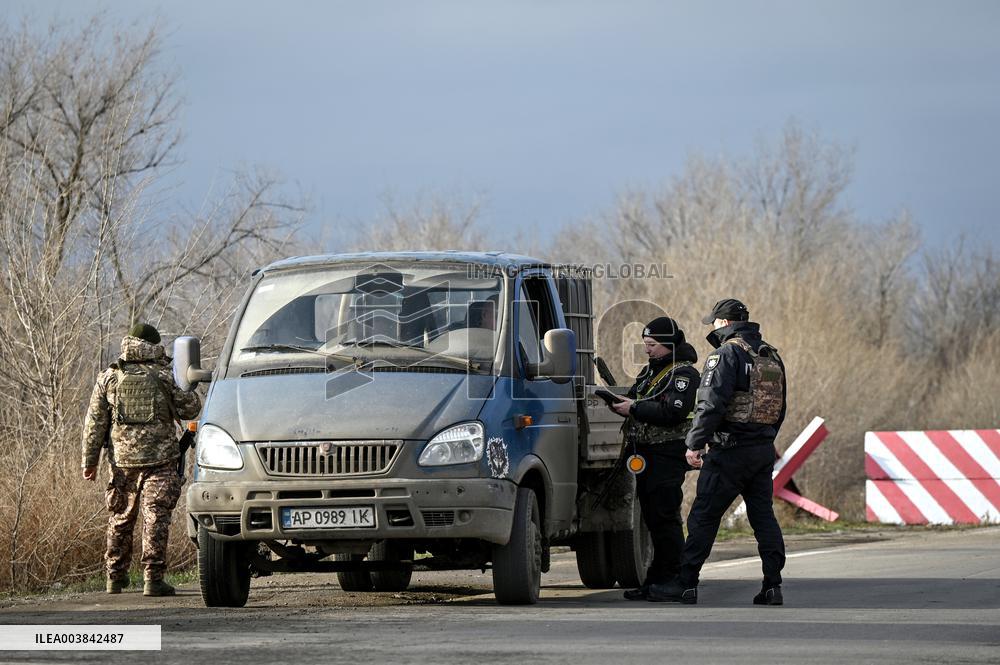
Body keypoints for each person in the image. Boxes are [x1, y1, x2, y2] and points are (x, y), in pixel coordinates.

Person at [647, 299, 787, 606]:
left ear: (722, 323)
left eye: (713, 323)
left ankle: (685, 584)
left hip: (729, 452)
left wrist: (695, 442)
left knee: (703, 518)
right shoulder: (770, 355)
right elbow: (780, 408)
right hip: (762, 451)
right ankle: (773, 585)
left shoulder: (726, 354)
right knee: (764, 518)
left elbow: (711, 403)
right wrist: (764, 439)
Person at [81, 323, 202, 596]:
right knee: (155, 517)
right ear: (154, 345)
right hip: (161, 462)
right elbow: (191, 408)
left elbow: (94, 425)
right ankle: (153, 579)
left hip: (122, 463)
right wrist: (184, 378)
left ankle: (115, 578)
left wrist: (89, 462)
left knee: (120, 517)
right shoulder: (164, 375)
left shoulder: (109, 377)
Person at [608, 316, 700, 601]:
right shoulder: (653, 371)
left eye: (652, 344)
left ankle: (677, 580)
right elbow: (640, 400)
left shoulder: (684, 374)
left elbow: (672, 412)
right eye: (645, 343)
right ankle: (656, 581)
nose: (647, 349)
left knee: (665, 518)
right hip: (647, 453)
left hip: (668, 453)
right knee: (653, 519)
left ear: (669, 345)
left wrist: (633, 409)